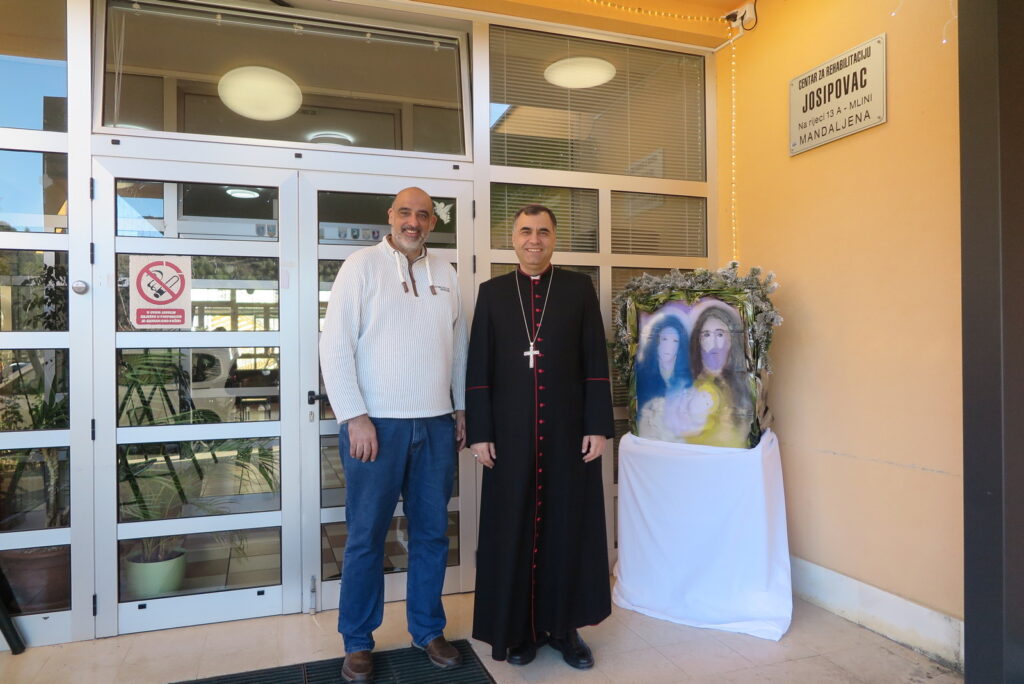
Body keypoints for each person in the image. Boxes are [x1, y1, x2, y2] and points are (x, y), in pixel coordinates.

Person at [320, 187, 468, 683]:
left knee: (431, 534)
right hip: (376, 426)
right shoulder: (360, 267)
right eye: (405, 212)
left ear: (432, 223)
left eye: (423, 215)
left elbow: (460, 346)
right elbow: (334, 345)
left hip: (435, 423)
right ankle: (358, 640)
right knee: (366, 536)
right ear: (390, 216)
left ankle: (427, 630)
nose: (413, 222)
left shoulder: (446, 273)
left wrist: (461, 406)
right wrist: (354, 416)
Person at [466, 204, 614, 670]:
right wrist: (480, 432)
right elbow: (478, 368)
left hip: (569, 435)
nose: (534, 239)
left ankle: (565, 629)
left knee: (568, 529)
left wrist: (597, 425)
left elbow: (595, 359)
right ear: (513, 239)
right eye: (526, 231)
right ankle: (519, 630)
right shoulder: (492, 293)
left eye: (543, 231)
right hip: (509, 437)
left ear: (555, 238)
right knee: (513, 528)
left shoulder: (577, 288)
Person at [669, 304, 754, 448]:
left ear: (731, 339)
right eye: (706, 335)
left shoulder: (743, 383)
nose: (713, 343)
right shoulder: (689, 384)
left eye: (720, 334)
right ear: (698, 340)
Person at [634, 315, 691, 441]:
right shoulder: (643, 371)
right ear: (656, 341)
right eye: (664, 339)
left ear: (680, 345)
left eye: (675, 341)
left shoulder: (688, 375)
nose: (668, 346)